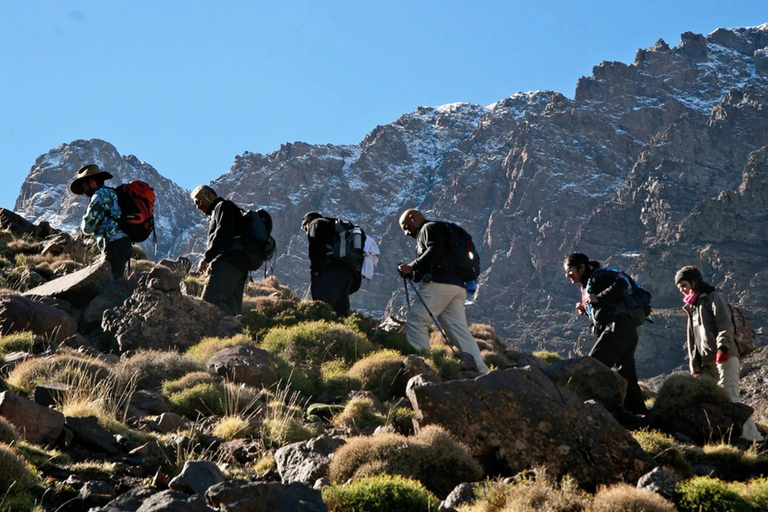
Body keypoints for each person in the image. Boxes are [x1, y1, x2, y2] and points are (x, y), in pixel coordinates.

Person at [674, 265, 764, 443]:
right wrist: (696, 367)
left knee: (730, 397)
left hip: (725, 357)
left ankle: (754, 440)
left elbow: (725, 325)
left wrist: (722, 349)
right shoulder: (691, 307)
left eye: (684, 284)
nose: (682, 290)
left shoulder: (713, 298)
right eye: (679, 288)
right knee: (710, 400)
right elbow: (693, 342)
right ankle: (726, 437)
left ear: (694, 281)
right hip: (706, 363)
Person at [397, 208, 488, 374]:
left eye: (405, 226)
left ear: (413, 218)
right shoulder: (444, 230)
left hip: (438, 285)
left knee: (417, 321)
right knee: (459, 331)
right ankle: (481, 371)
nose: (405, 233)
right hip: (458, 287)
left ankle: (423, 369)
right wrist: (416, 272)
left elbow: (435, 251)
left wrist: (411, 266)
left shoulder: (428, 228)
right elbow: (437, 257)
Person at [564, 252, 648, 416]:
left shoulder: (597, 276)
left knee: (593, 365)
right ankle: (640, 417)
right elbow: (606, 307)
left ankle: (578, 410)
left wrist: (598, 297)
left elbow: (621, 284)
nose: (568, 275)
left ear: (582, 266)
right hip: (626, 330)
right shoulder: (591, 281)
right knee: (626, 375)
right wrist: (587, 311)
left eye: (569, 270)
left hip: (618, 328)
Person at [191, 185, 249, 315]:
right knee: (232, 310)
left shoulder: (222, 206)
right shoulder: (227, 208)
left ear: (208, 195)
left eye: (198, 201)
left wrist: (207, 257)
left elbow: (223, 233)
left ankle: (219, 332)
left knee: (209, 302)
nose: (198, 207)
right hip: (240, 267)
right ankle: (234, 333)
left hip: (226, 263)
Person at [70, 164, 132, 279]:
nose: (83, 191)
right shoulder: (113, 193)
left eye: (84, 186)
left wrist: (93, 226)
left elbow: (87, 226)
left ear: (92, 182)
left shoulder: (99, 195)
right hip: (125, 242)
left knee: (112, 284)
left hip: (113, 244)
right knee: (118, 279)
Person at [301, 212, 357, 317]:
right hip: (348, 272)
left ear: (306, 223)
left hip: (331, 272)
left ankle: (323, 330)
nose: (306, 232)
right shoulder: (335, 226)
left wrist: (316, 271)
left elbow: (316, 248)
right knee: (341, 310)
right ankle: (342, 331)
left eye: (305, 229)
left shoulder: (315, 223)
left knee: (322, 307)